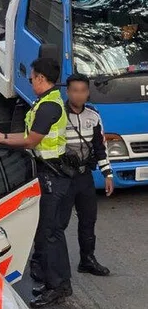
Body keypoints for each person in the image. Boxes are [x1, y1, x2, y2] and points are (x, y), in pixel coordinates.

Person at [0, 57, 72, 308]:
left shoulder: (49, 107)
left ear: (41, 78)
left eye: (32, 78)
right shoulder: (46, 102)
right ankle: (56, 282)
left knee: (49, 234)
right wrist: (0, 136)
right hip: (48, 173)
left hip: (52, 175)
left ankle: (58, 286)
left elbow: (31, 141)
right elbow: (26, 135)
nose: (31, 82)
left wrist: (1, 140)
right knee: (49, 232)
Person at [62, 73, 113, 276]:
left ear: (88, 92)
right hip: (63, 177)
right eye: (75, 90)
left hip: (84, 177)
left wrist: (107, 174)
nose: (79, 95)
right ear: (67, 92)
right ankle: (43, 263)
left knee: (88, 220)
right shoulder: (58, 115)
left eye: (83, 91)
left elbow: (100, 147)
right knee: (57, 223)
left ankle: (87, 260)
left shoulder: (93, 115)